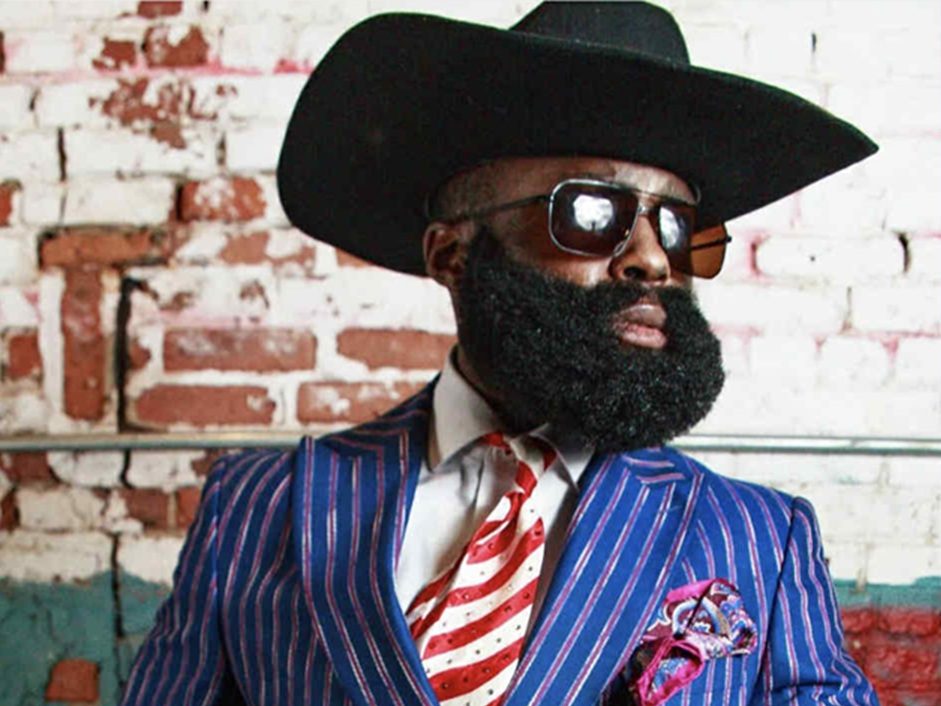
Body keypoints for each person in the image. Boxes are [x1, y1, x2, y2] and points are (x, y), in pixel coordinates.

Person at [120, 3, 881, 705]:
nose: (652, 259)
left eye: (676, 228)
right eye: (592, 212)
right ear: (451, 254)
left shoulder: (760, 539)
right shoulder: (256, 509)